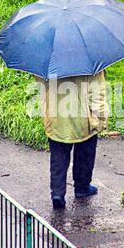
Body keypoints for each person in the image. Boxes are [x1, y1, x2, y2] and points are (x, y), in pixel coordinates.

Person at [35, 71, 108, 209]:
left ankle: (57, 193)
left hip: (56, 118)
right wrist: (100, 120)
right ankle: (82, 188)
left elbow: (42, 88)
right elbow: (97, 95)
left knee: (58, 159)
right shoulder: (90, 63)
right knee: (85, 155)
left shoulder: (48, 63)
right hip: (83, 119)